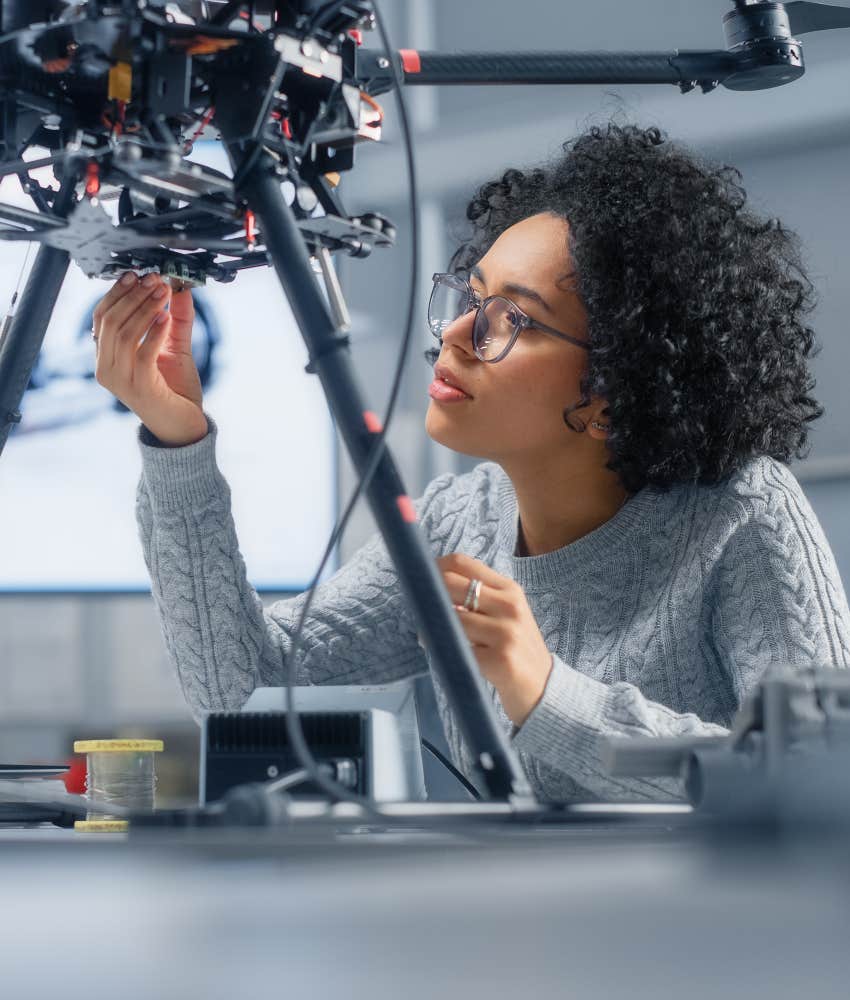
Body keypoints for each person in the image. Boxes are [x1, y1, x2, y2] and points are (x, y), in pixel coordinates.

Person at [94, 123, 850, 802]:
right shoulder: (459, 522)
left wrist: (547, 694)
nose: (455, 333)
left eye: (511, 319)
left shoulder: (742, 513)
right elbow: (240, 690)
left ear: (613, 394)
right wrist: (177, 444)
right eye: (471, 296)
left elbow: (821, 774)